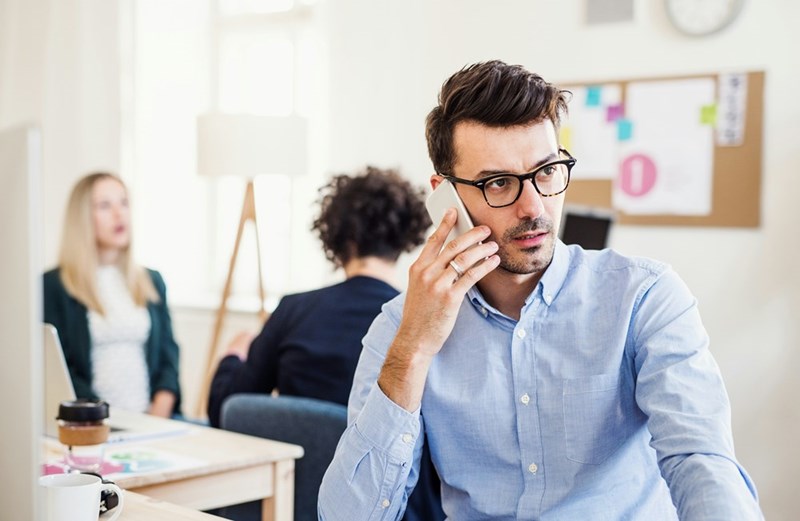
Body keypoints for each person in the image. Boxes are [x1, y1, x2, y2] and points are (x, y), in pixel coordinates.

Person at [318, 61, 764, 520]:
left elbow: (700, 459)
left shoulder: (643, 297)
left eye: (547, 171)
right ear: (445, 196)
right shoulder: (401, 326)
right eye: (498, 183)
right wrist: (411, 350)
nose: (534, 208)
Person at [208, 166, 443, 521]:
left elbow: (225, 408)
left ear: (337, 238)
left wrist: (233, 353)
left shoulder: (293, 310)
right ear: (404, 238)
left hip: (284, 503)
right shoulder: (419, 324)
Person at [43, 172, 181, 418]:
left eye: (124, 203)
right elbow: (61, 370)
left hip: (153, 420)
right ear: (82, 218)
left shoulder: (152, 280)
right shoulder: (54, 285)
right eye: (105, 206)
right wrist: (104, 417)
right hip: (92, 422)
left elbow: (169, 358)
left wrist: (157, 416)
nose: (119, 214)